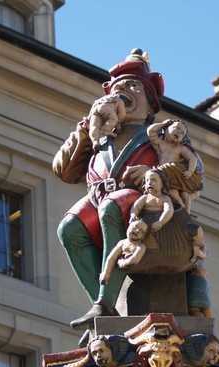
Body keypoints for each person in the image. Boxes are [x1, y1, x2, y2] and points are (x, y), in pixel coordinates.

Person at [53, 49, 164, 329]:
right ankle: (105, 310)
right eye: (117, 87)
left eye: (133, 86)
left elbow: (190, 171)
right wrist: (86, 128)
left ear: (150, 105)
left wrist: (155, 174)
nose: (123, 91)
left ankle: (103, 303)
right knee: (69, 228)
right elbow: (63, 170)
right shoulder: (98, 134)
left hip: (138, 201)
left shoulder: (157, 135)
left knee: (110, 207)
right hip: (101, 198)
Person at [147, 119, 204, 213]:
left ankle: (186, 212)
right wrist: (163, 124)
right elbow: (150, 131)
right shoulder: (161, 143)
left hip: (175, 174)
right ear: (166, 129)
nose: (179, 132)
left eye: (182, 133)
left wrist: (190, 171)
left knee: (185, 194)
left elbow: (192, 159)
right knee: (172, 193)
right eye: (176, 128)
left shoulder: (180, 148)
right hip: (166, 176)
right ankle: (181, 207)